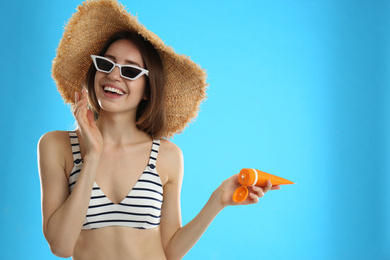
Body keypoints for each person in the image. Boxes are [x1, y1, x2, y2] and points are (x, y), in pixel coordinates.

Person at [38, 0, 280, 259]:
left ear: (147, 90)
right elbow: (61, 246)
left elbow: (171, 250)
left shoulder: (166, 155)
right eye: (106, 65)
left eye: (130, 71)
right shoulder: (57, 146)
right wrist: (92, 156)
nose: (114, 76)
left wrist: (218, 200)